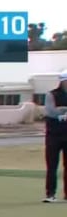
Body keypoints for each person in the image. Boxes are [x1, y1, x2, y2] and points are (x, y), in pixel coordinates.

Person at [42, 70, 67, 203]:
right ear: (62, 81)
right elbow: (51, 111)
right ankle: (50, 194)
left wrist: (62, 111)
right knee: (52, 165)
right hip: (53, 135)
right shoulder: (52, 94)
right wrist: (63, 111)